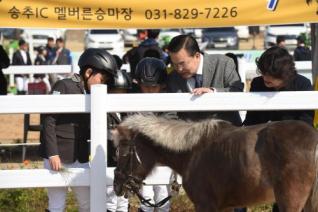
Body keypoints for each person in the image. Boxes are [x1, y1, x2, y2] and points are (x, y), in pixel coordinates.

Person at [39, 48, 117, 212]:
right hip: (57, 156)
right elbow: (48, 120)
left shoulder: (92, 93)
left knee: (88, 203)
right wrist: (52, 153)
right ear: (89, 72)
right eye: (101, 79)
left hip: (80, 156)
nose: (102, 85)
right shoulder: (64, 85)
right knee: (57, 204)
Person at [166, 34, 243, 125]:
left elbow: (237, 90)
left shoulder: (224, 63)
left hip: (227, 134)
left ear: (197, 56)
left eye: (182, 63)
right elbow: (170, 114)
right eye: (174, 64)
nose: (179, 69)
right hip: (189, 136)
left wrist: (213, 92)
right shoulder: (173, 77)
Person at [134, 57, 172, 212]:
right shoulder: (132, 100)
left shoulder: (169, 100)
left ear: (162, 85)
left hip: (163, 156)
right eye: (145, 86)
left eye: (153, 86)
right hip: (142, 157)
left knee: (163, 197)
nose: (149, 90)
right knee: (146, 200)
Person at [243, 46, 314, 127]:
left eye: (271, 73)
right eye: (263, 72)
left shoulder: (302, 84)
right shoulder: (257, 83)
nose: (265, 78)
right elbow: (251, 120)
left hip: (294, 135)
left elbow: (306, 123)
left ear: (285, 73)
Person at [106, 69, 132, 212]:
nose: (119, 95)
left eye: (122, 92)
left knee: (123, 201)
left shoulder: (126, 110)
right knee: (110, 200)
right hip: (110, 159)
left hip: (125, 162)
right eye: (116, 91)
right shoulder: (104, 110)